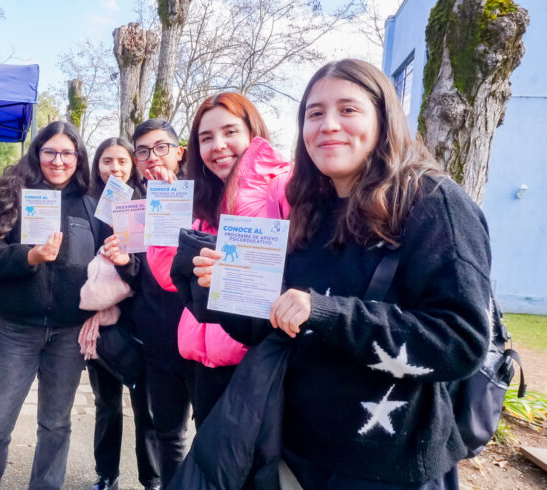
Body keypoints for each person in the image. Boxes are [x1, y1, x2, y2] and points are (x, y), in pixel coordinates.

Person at [193, 59, 492, 489]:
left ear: (383, 118)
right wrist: (218, 289)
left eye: (348, 110)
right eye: (314, 113)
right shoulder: (310, 209)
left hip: (389, 466)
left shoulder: (433, 203)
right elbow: (277, 326)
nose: (329, 125)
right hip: (297, 456)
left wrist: (328, 313)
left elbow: (460, 341)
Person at [0, 121, 102, 490]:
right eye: (50, 152)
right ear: (37, 153)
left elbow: (105, 263)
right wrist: (30, 257)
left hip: (69, 333)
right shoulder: (9, 195)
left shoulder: (91, 204)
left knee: (56, 425)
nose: (58, 161)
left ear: (78, 158)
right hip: (16, 330)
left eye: (67, 153)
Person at [143, 92, 290, 428]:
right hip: (204, 366)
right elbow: (168, 276)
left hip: (257, 365)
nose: (218, 145)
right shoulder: (203, 201)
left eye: (230, 132)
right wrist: (167, 207)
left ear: (253, 132)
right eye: (206, 138)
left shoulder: (283, 186)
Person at [100, 119, 189, 489]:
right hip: (156, 336)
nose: (152, 158)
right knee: (166, 431)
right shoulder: (133, 207)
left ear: (179, 152)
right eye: (143, 151)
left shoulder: (202, 197)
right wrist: (125, 263)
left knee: (214, 430)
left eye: (161, 148)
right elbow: (141, 277)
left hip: (204, 334)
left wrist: (181, 207)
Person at [85, 137, 160, 490]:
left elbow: (148, 268)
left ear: (132, 165)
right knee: (106, 403)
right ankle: (107, 474)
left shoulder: (144, 204)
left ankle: (152, 478)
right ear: (96, 165)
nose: (114, 168)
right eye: (106, 161)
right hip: (97, 320)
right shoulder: (85, 205)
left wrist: (125, 261)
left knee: (145, 407)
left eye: (121, 161)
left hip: (137, 320)